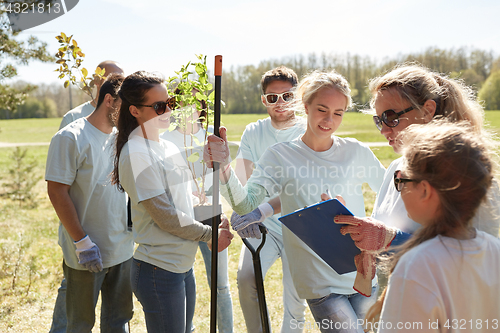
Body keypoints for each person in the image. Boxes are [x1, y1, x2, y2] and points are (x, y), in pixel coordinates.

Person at [205, 70, 386, 333]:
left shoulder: (356, 151)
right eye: (322, 109)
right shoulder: (279, 155)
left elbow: (389, 197)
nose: (329, 120)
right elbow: (246, 204)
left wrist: (374, 230)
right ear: (305, 106)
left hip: (361, 274)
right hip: (320, 283)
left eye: (338, 112)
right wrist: (223, 169)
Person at [333, 64, 500, 292]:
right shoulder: (395, 167)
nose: (383, 130)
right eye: (378, 120)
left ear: (427, 110)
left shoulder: (469, 173)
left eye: (390, 117)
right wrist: (360, 234)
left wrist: (390, 240)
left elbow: (474, 256)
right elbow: (384, 233)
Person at [111, 71, 233, 333]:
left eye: (170, 104)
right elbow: (165, 216)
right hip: (158, 270)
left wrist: (212, 213)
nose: (168, 110)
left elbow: (185, 196)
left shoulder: (165, 146)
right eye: (158, 106)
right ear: (135, 111)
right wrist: (210, 234)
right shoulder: (136, 153)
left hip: (180, 265)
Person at [364, 121, 500, 332]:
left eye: (402, 179)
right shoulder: (494, 250)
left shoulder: (416, 266)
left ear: (425, 191)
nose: (399, 187)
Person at [46, 73, 134, 332]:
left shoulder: (122, 138)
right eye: (125, 105)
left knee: (118, 322)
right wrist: (82, 242)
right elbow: (57, 192)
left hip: (122, 249)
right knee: (80, 324)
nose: (130, 112)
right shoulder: (70, 137)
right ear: (109, 100)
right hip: (86, 253)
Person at [229, 66, 308, 333]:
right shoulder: (253, 131)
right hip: (262, 227)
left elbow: (299, 190)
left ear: (297, 96)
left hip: (300, 226)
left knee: (295, 300)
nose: (280, 103)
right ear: (264, 100)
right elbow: (242, 177)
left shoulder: (310, 131)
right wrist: (239, 209)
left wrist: (257, 210)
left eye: (287, 96)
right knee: (246, 279)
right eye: (272, 98)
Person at [160, 89, 234, 333]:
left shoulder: (210, 136)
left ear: (203, 107)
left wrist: (210, 197)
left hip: (209, 211)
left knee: (220, 284)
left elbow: (222, 176)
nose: (188, 109)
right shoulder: (166, 140)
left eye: (195, 103)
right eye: (182, 103)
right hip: (181, 215)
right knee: (182, 277)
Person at [59, 60, 125, 130]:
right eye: (114, 78)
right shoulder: (72, 118)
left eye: (122, 79)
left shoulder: (127, 117)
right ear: (96, 80)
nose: (120, 84)